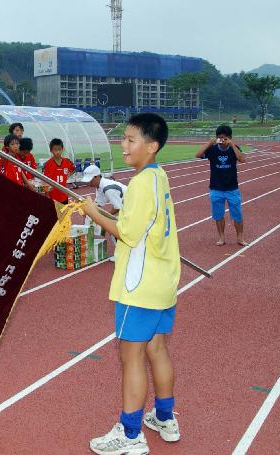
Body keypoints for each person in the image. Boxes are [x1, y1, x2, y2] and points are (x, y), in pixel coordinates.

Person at [82, 113, 181, 455]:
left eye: (131, 140)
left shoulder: (140, 184)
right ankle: (165, 418)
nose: (123, 145)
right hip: (163, 282)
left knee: (132, 357)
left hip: (139, 286)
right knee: (156, 349)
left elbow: (126, 232)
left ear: (151, 147)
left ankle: (129, 434)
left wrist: (92, 212)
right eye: (123, 138)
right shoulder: (158, 177)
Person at [195, 125, 247, 246]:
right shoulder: (213, 149)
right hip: (216, 188)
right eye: (219, 138)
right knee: (218, 215)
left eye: (224, 138)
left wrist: (232, 144)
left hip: (232, 188)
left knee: (237, 214)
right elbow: (198, 155)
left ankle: (240, 238)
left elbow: (242, 159)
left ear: (229, 138)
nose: (222, 141)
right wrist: (210, 143)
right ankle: (221, 237)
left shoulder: (234, 149)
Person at [42, 138, 76, 204]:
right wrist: (47, 195)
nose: (57, 152)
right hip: (53, 197)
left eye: (59, 149)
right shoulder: (48, 164)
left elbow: (74, 169)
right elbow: (45, 181)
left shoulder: (67, 161)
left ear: (62, 149)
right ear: (51, 150)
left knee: (65, 213)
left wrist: (68, 175)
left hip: (64, 195)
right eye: (55, 150)